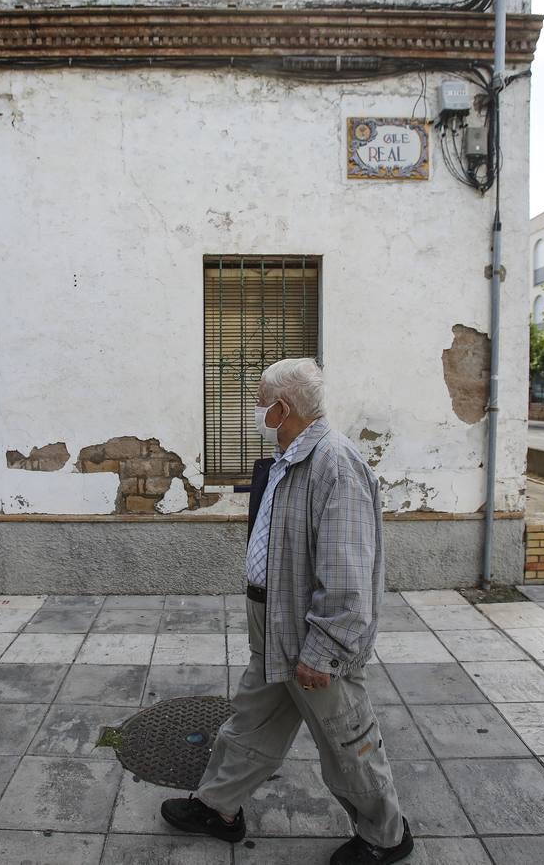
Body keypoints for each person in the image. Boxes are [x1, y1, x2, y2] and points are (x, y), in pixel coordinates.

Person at [161, 358, 412, 865]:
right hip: (273, 622)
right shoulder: (288, 456)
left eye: (260, 403)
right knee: (251, 723)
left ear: (282, 408)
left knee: (346, 737)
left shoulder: (333, 464)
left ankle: (386, 836)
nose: (255, 411)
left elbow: (346, 572)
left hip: (311, 633)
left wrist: (324, 649)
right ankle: (218, 807)